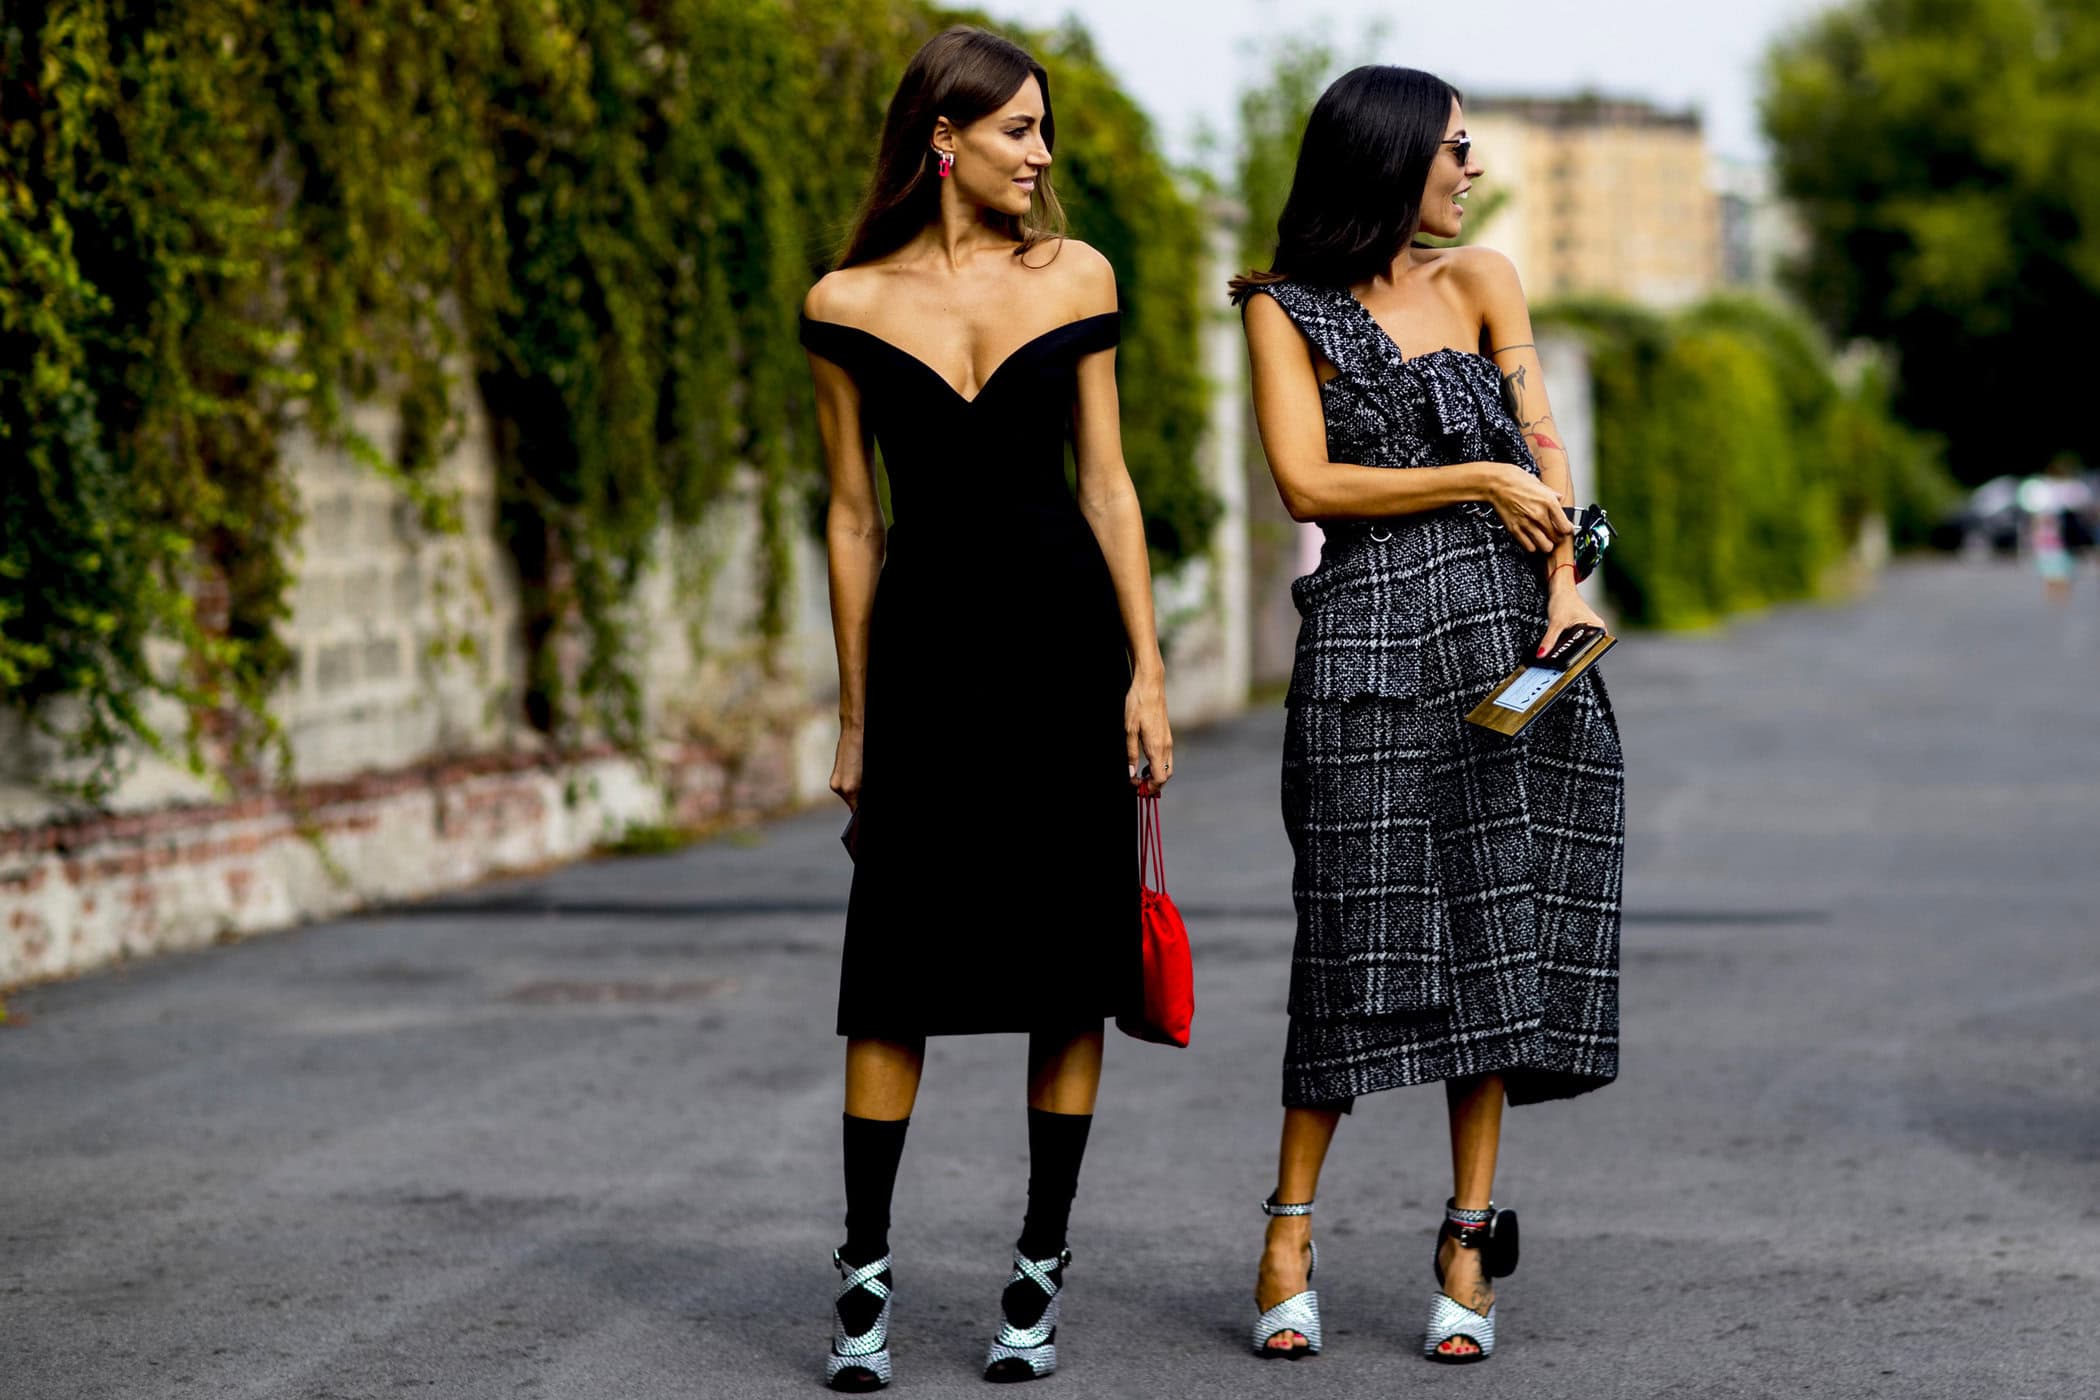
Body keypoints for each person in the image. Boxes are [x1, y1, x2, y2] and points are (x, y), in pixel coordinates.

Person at [1230, 66, 1625, 1366]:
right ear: (1389, 156)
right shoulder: (1283, 308)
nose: (1472, 169)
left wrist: (1564, 587)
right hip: (1363, 650)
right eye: (1455, 148)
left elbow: (1548, 454)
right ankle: (1289, 1230)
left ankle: (1468, 1236)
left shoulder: (1487, 279)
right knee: (1350, 944)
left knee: (1493, 938)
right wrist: (1476, 479)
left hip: (1506, 643)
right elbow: (1306, 483)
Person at [799, 25, 1173, 1391]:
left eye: (1045, 127)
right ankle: (863, 1272)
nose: (1042, 153)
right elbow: (853, 518)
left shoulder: (1078, 274)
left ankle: (1039, 1264)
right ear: (943, 138)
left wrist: (1146, 671)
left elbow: (1108, 485)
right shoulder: (844, 303)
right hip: (925, 657)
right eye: (1020, 128)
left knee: (1068, 968)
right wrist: (854, 718)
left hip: (1065, 649)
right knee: (893, 971)